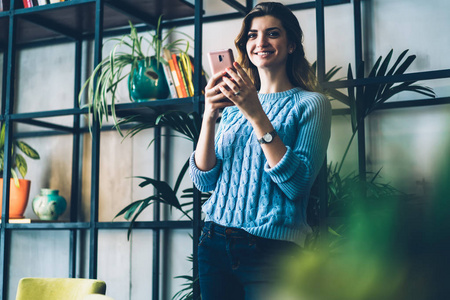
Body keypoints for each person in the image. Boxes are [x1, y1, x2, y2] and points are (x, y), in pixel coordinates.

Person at [189, 2, 331, 299]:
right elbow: (203, 181)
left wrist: (255, 113)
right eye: (252, 35)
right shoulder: (230, 107)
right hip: (214, 243)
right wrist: (209, 116)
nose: (260, 42)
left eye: (272, 34)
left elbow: (297, 184)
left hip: (273, 251)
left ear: (291, 44)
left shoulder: (312, 104)